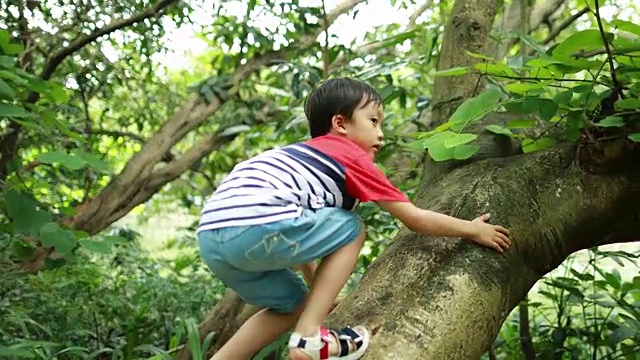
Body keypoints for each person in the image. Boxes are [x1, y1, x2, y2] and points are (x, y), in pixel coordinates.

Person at [196, 77, 511, 360]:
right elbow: (414, 218)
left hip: (213, 239)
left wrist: (318, 294)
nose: (381, 133)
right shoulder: (350, 156)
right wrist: (472, 230)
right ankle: (309, 339)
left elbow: (302, 240)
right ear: (340, 123)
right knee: (352, 228)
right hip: (256, 223)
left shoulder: (299, 156)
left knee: (293, 304)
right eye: (373, 121)